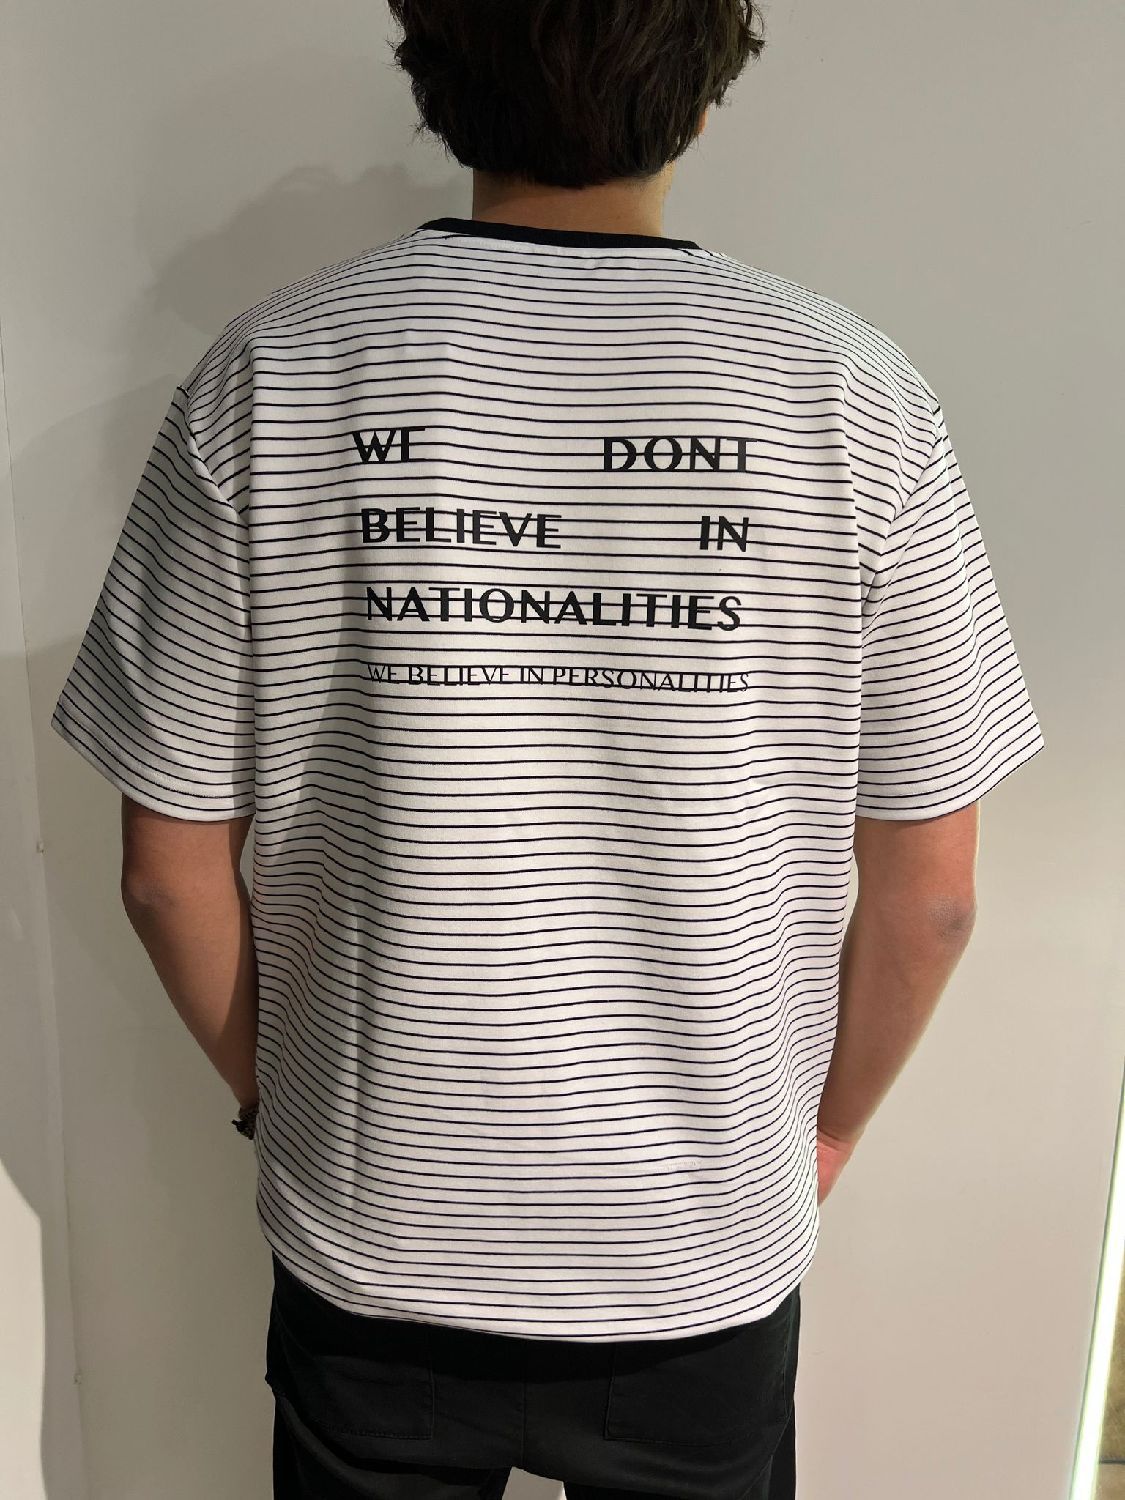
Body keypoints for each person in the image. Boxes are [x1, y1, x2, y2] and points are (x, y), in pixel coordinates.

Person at [49, 3, 1046, 1497]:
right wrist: (824, 1137)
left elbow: (164, 871)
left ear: (436, 79)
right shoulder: (852, 393)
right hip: (700, 1251)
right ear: (699, 97)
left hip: (373, 1242)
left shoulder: (272, 372)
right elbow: (932, 897)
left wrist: (281, 1108)